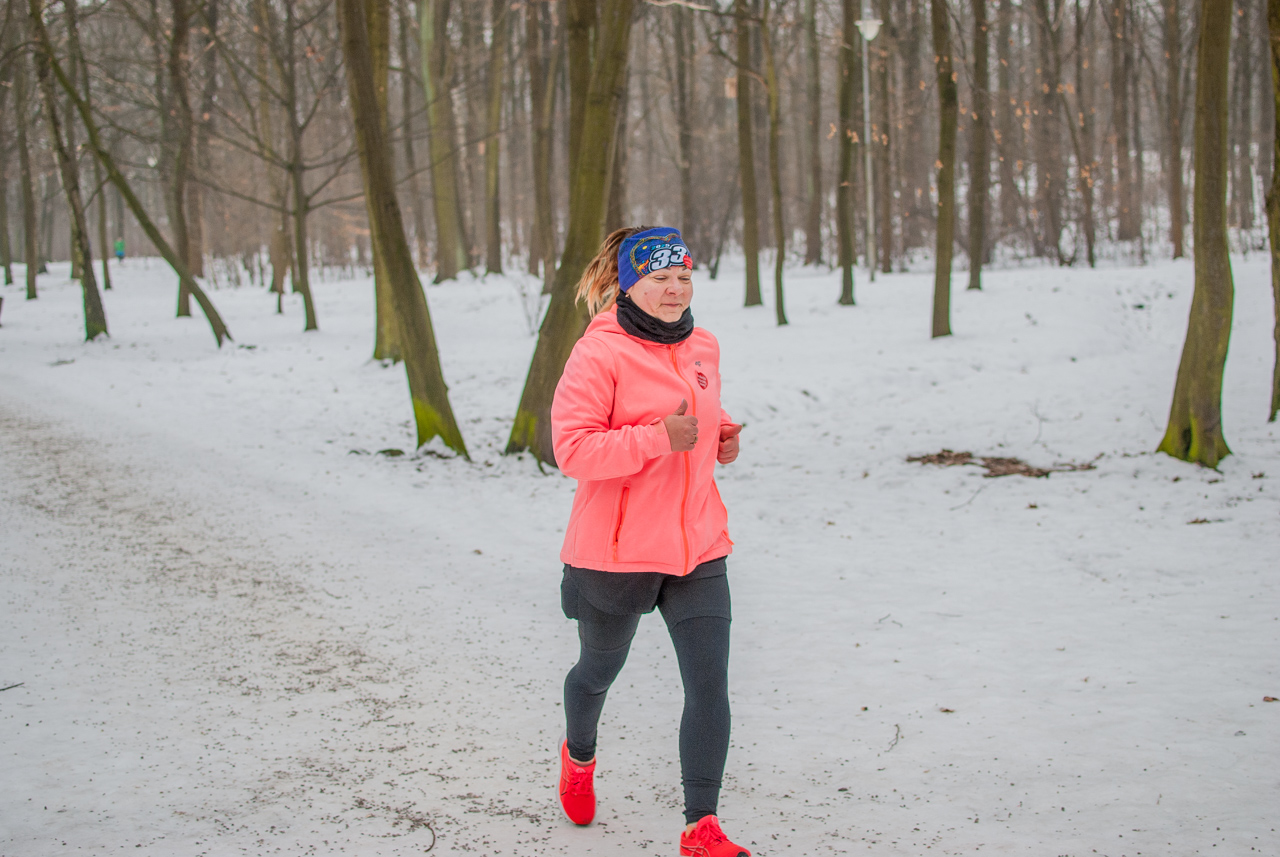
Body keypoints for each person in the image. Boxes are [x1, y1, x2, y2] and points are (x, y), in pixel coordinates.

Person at [551, 226, 749, 857]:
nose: (674, 290)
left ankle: (701, 827)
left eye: (683, 277)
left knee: (709, 685)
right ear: (629, 284)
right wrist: (659, 437)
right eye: (660, 278)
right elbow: (572, 449)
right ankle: (579, 756)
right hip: (617, 553)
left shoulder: (703, 345)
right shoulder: (598, 353)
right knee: (598, 672)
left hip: (698, 545)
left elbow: (697, 415)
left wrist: (721, 434)